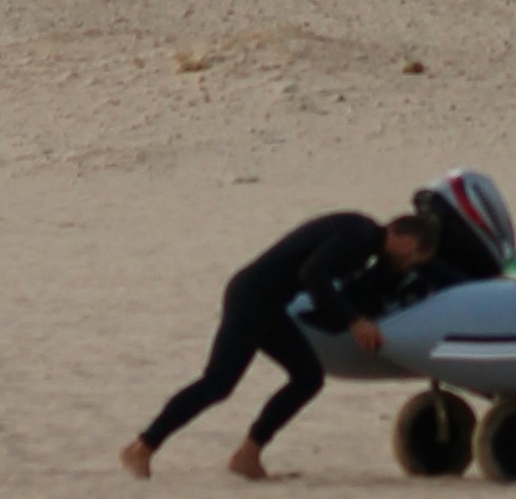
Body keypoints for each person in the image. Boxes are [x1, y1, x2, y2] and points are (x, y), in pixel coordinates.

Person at [122, 204, 438, 483]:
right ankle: (142, 447)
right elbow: (312, 274)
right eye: (413, 258)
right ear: (406, 241)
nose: (408, 265)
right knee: (217, 383)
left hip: (269, 304)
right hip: (252, 298)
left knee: (308, 377)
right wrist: (354, 321)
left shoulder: (362, 235)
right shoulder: (360, 237)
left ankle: (248, 455)